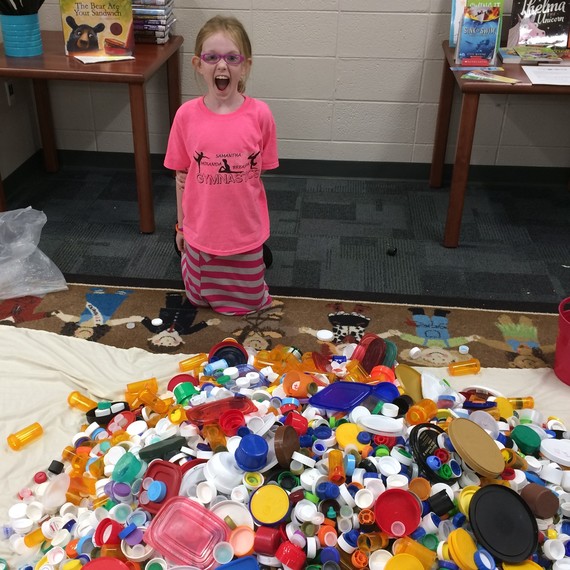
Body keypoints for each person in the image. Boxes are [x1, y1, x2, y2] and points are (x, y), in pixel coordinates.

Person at [165, 15, 279, 316]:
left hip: (245, 233)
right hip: (200, 233)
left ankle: (255, 256)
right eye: (212, 57)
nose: (222, 65)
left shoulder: (261, 115)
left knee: (253, 301)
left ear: (246, 66)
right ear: (197, 65)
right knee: (197, 299)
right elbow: (181, 176)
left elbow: (257, 173)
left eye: (232, 57)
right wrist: (181, 227)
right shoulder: (185, 116)